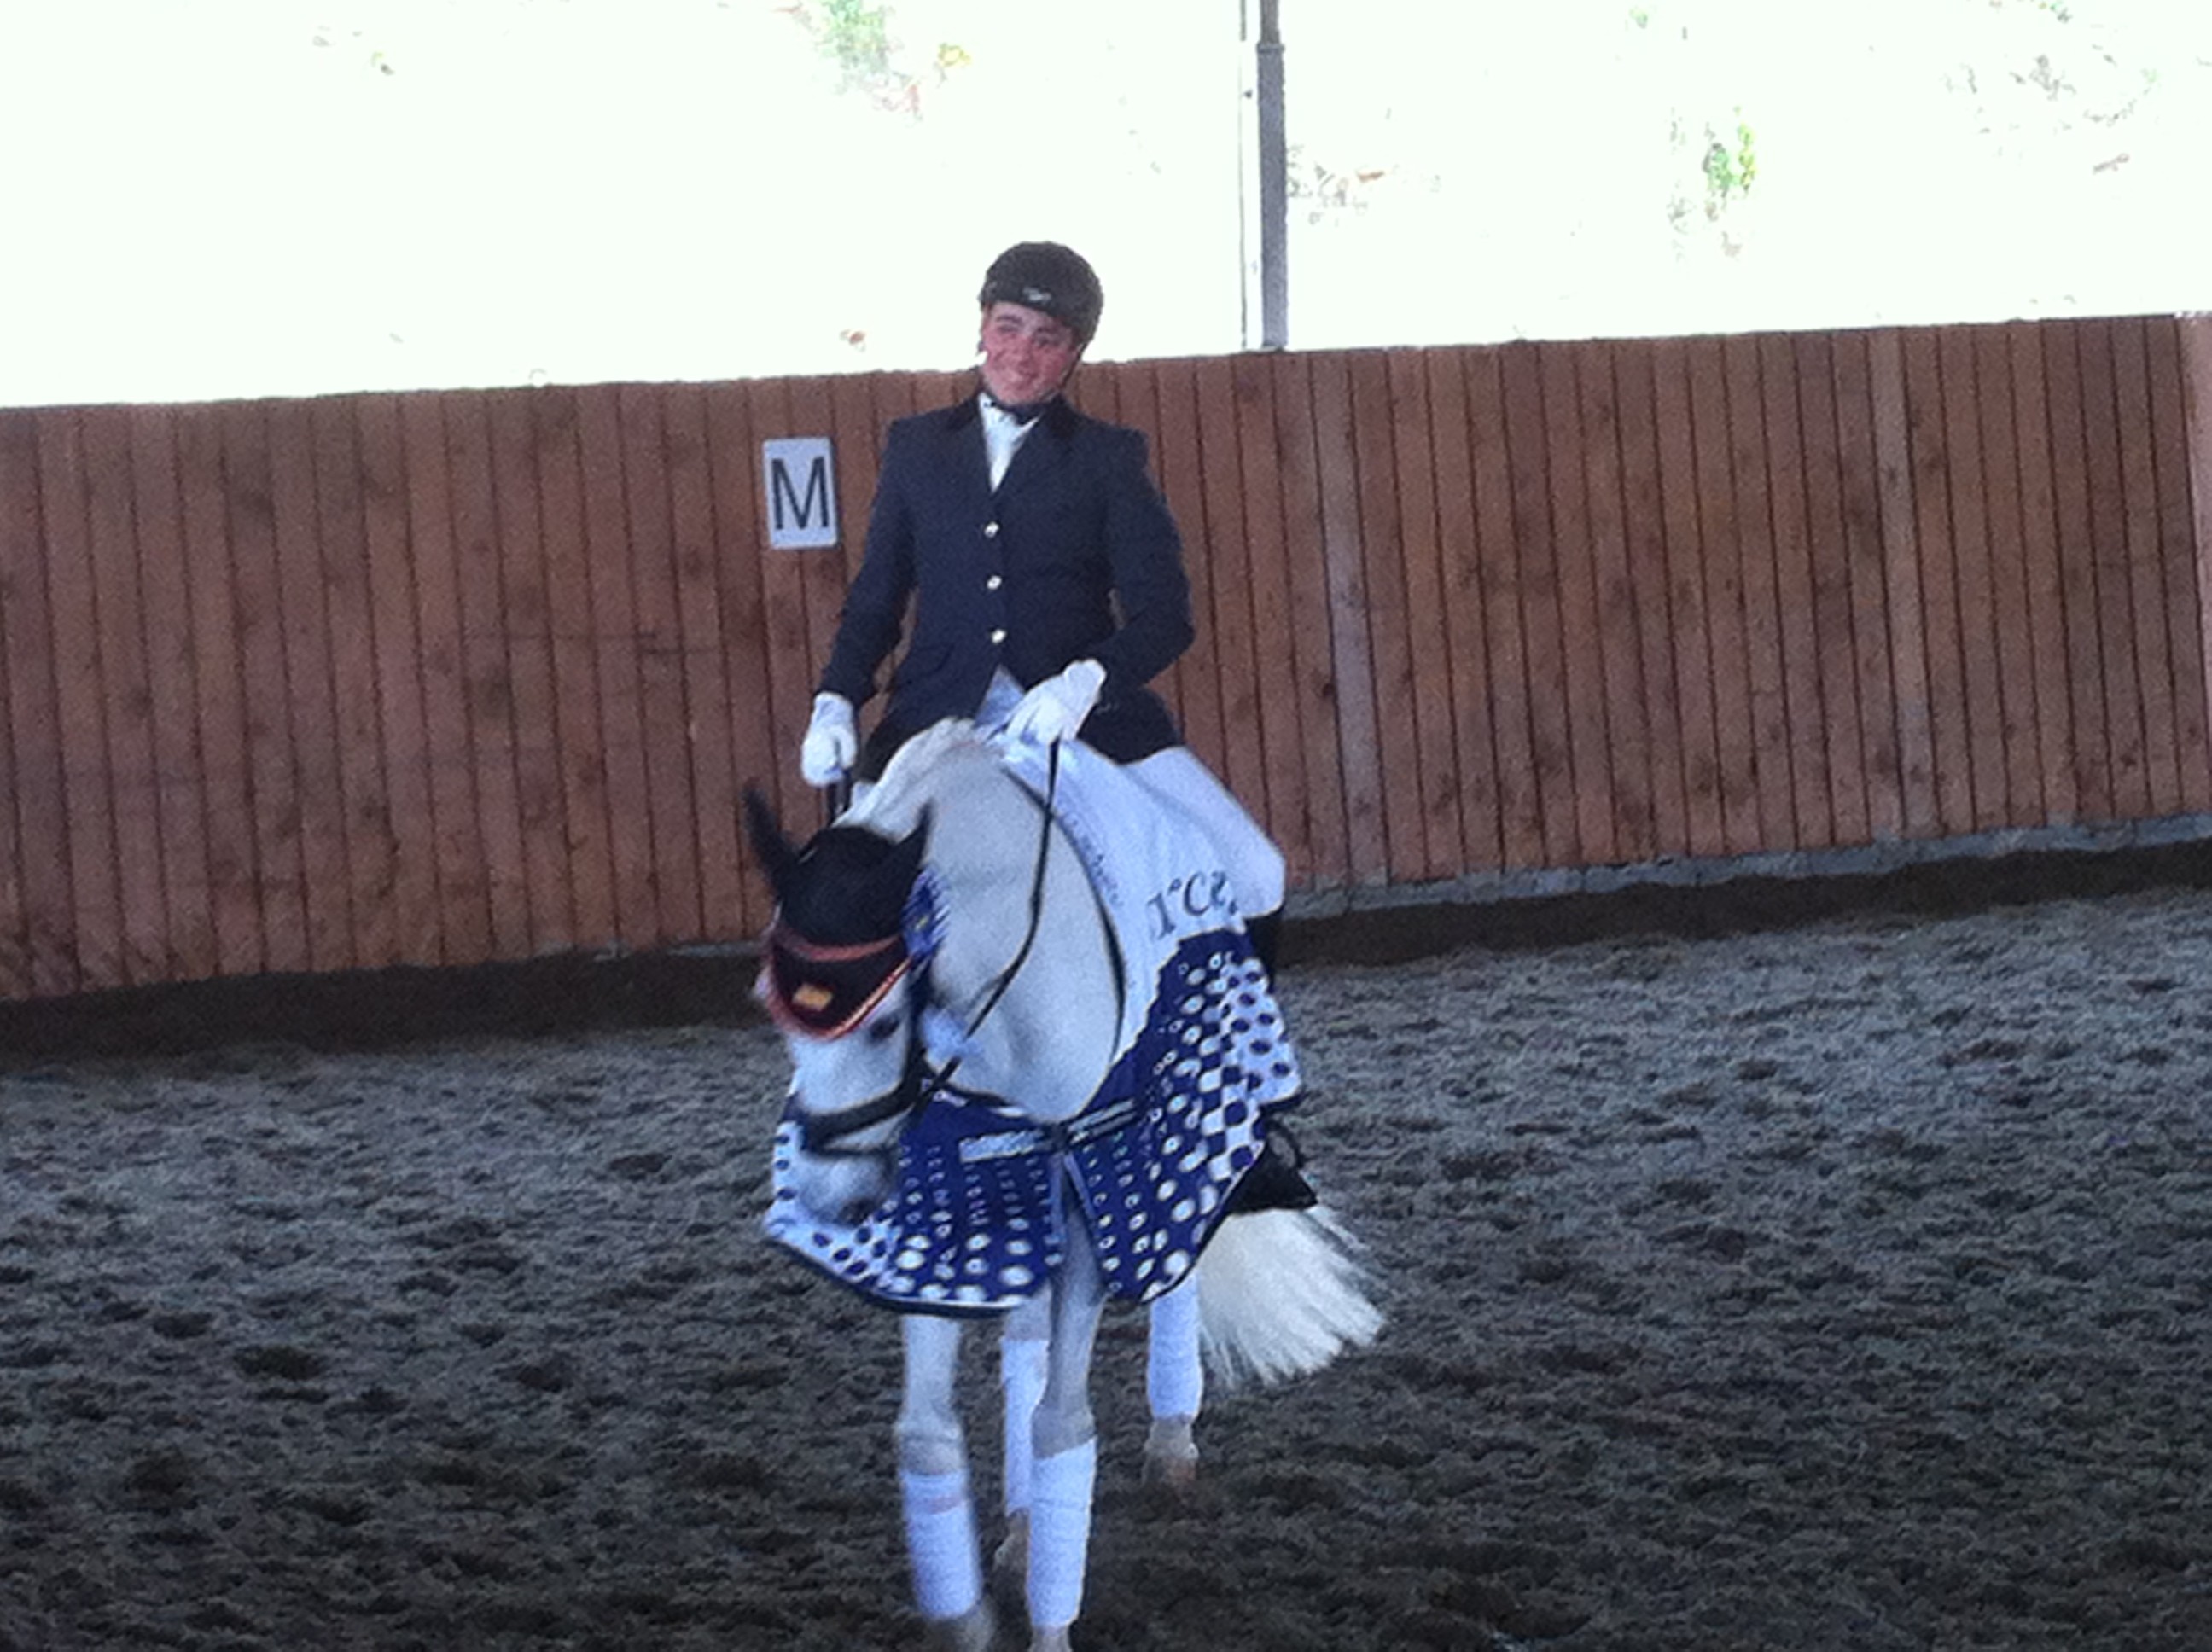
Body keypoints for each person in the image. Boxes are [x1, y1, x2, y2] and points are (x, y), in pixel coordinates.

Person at [796, 238, 1285, 965]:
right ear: (982, 329)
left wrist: (1084, 682)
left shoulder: (1108, 459)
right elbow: (877, 597)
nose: (1022, 354)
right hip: (938, 713)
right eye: (1008, 328)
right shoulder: (917, 448)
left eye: (1047, 339)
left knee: (1254, 870)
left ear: (1074, 354)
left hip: (1080, 718)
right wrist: (835, 700)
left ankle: (1238, 1064)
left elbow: (1165, 615)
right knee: (832, 902)